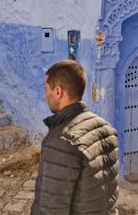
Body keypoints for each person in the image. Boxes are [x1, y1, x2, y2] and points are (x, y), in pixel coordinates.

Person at [31, 60, 119, 215]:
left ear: (58, 91)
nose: (45, 95)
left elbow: (52, 208)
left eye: (46, 89)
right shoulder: (107, 128)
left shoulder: (61, 142)